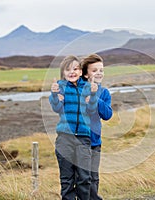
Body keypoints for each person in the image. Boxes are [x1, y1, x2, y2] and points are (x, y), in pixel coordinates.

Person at [49, 55, 98, 200]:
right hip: (64, 139)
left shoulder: (87, 87)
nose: (72, 72)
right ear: (63, 73)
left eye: (75, 69)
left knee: (84, 178)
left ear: (81, 71)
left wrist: (93, 95)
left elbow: (91, 110)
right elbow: (57, 107)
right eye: (68, 69)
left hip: (83, 139)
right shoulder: (60, 87)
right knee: (67, 180)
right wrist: (54, 94)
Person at [81, 54, 113, 200]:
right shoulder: (78, 90)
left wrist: (95, 97)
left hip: (95, 141)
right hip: (80, 140)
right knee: (83, 177)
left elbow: (107, 114)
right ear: (86, 73)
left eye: (101, 70)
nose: (99, 73)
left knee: (94, 176)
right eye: (95, 70)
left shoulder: (104, 92)